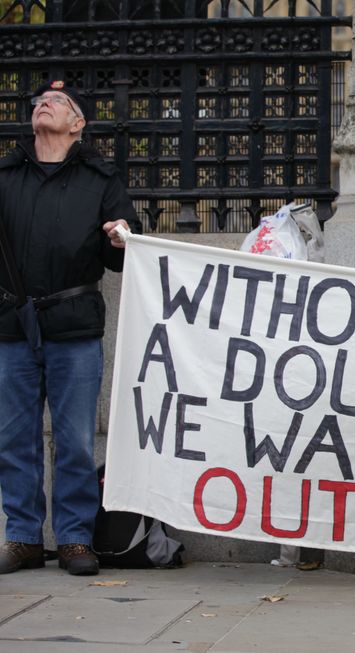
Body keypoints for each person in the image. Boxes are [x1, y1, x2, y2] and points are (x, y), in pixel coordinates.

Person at [0, 80, 139, 576]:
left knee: (76, 439)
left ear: (78, 124)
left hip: (74, 327)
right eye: (39, 101)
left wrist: (121, 240)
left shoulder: (101, 179)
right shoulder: (6, 174)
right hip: (14, 327)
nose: (44, 104)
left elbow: (121, 253)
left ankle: (76, 539)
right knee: (14, 439)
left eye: (58, 101)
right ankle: (22, 538)